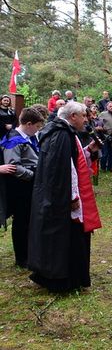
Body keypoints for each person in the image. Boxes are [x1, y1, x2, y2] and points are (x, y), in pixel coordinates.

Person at [28, 102, 102, 293]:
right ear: (73, 116)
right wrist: (72, 196)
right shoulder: (61, 134)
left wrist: (88, 151)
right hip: (62, 199)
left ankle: (67, 277)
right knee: (65, 237)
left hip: (58, 196)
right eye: (84, 116)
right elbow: (64, 170)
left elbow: (73, 161)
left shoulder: (63, 132)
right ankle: (64, 279)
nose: (86, 119)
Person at [0, 107, 44, 267]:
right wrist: (34, 175)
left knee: (29, 219)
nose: (38, 130)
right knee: (21, 220)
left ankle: (29, 251)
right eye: (37, 126)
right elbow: (14, 167)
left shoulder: (29, 138)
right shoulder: (13, 140)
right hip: (21, 185)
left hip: (30, 183)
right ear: (29, 124)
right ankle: (22, 257)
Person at [98, 101, 112, 172]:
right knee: (105, 153)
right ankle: (103, 167)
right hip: (105, 136)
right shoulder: (102, 114)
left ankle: (110, 167)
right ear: (107, 107)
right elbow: (98, 124)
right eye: (110, 106)